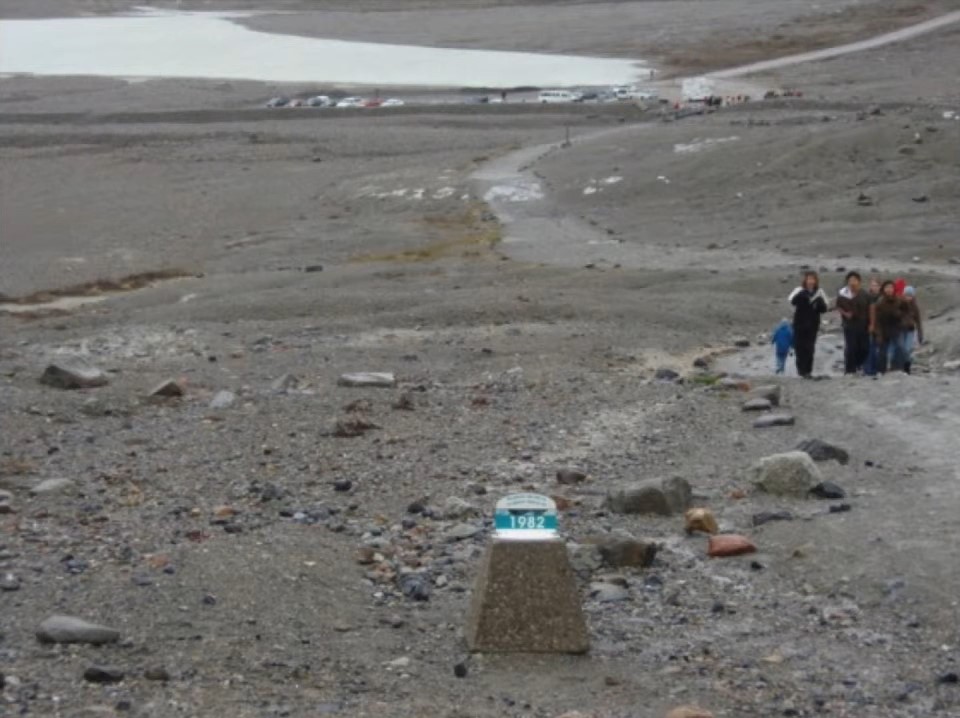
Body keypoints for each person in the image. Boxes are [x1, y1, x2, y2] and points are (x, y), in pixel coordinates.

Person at [788, 271, 828, 378]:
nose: (811, 281)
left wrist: (819, 302)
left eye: (813, 279)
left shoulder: (819, 292)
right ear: (805, 280)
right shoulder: (799, 290)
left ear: (816, 281)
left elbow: (825, 308)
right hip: (799, 323)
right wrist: (802, 295)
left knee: (810, 348)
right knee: (799, 347)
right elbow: (792, 301)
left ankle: (808, 371)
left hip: (813, 324)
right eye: (809, 279)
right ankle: (801, 371)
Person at [835, 271, 870, 374]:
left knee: (864, 348)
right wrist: (845, 314)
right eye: (850, 280)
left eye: (854, 280)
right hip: (849, 325)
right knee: (851, 348)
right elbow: (838, 306)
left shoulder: (864, 294)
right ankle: (849, 370)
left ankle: (859, 365)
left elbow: (870, 309)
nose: (852, 282)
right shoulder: (843, 294)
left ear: (859, 282)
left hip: (863, 325)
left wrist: (871, 323)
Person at [872, 280, 907, 374]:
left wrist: (901, 317)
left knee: (900, 348)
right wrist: (878, 333)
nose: (889, 290)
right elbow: (877, 320)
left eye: (891, 287)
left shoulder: (899, 300)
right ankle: (881, 370)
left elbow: (906, 312)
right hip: (883, 329)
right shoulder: (880, 303)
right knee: (882, 351)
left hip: (896, 328)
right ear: (883, 289)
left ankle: (898, 368)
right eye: (887, 287)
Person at [899, 285, 924, 374]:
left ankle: (907, 367)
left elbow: (919, 322)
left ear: (913, 296)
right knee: (901, 349)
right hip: (900, 330)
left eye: (910, 295)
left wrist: (920, 335)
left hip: (910, 330)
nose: (908, 297)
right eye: (906, 295)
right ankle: (902, 366)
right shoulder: (899, 305)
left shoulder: (915, 307)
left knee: (907, 349)